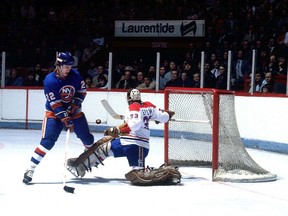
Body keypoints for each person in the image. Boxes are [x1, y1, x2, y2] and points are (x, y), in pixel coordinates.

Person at [66, 89, 181, 185]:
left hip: (136, 146)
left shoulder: (133, 107)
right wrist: (156, 118)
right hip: (132, 144)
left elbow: (135, 125)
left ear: (129, 99)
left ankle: (165, 173)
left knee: (139, 176)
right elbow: (165, 117)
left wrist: (118, 129)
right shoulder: (149, 106)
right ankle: (81, 167)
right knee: (104, 148)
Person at [22, 52, 95, 184]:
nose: (69, 69)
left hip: (74, 111)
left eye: (70, 66)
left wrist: (74, 105)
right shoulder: (50, 81)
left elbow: (82, 92)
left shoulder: (76, 75)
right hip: (54, 114)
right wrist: (66, 119)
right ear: (59, 65)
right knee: (47, 141)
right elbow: (55, 104)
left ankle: (85, 159)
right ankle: (30, 168)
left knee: (88, 139)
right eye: (66, 66)